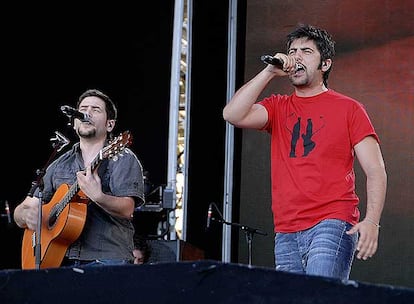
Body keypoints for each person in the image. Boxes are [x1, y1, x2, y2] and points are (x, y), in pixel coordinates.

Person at [223, 24, 387, 281]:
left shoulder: (350, 109)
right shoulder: (278, 106)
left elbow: (375, 169)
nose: (297, 56)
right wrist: (269, 71)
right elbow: (232, 114)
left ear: (325, 64)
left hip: (332, 221)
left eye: (307, 51)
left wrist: (372, 221)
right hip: (286, 229)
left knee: (319, 296)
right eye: (293, 50)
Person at [14, 88, 145, 268]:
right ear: (75, 123)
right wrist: (26, 215)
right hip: (60, 259)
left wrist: (99, 197)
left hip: (106, 259)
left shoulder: (122, 158)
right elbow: (23, 208)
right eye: (83, 108)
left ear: (110, 125)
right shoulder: (60, 163)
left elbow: (127, 210)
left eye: (95, 110)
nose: (87, 113)